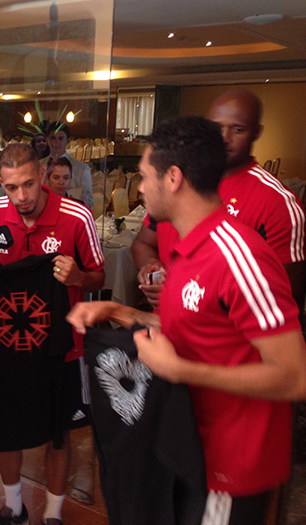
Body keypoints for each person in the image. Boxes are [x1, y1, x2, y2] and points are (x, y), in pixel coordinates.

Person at [70, 115, 306, 525]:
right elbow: (192, 330)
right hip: (191, 448)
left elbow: (295, 376)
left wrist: (180, 369)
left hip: (232, 465)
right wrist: (117, 312)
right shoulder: (187, 249)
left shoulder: (239, 256)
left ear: (173, 177)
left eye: (144, 177)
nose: (139, 188)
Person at [0, 143, 105, 525]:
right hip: (12, 347)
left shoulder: (77, 217)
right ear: (1, 184)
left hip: (63, 348)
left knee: (59, 433)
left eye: (28, 185)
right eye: (11, 187)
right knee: (6, 428)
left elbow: (98, 277)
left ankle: (53, 514)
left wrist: (78, 277)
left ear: (42, 175)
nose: (21, 196)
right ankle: (13, 505)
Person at [133, 89, 305, 311]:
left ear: (256, 133)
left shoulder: (277, 202)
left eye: (238, 129)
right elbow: (143, 242)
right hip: (167, 327)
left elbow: (285, 302)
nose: (224, 138)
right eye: (216, 128)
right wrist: (152, 267)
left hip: (221, 339)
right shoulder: (181, 182)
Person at [42, 122, 93, 210]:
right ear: (47, 140)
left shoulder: (82, 168)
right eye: (53, 138)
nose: (56, 142)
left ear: (68, 141)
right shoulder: (38, 166)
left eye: (60, 138)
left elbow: (89, 203)